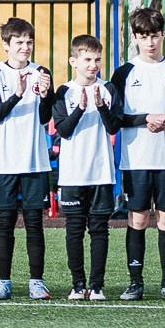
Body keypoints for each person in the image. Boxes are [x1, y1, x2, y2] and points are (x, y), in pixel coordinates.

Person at [112, 6, 165, 301]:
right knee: (137, 220)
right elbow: (116, 118)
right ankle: (135, 283)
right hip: (135, 160)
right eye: (143, 36)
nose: (150, 42)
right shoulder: (124, 73)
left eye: (155, 35)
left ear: (163, 35)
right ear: (135, 37)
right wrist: (145, 118)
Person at [0, 16, 55, 301]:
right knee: (5, 222)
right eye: (19, 42)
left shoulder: (42, 71)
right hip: (5, 161)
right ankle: (4, 282)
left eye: (29, 42)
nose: (25, 47)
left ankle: (36, 281)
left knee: (35, 223)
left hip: (35, 160)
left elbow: (45, 117)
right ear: (6, 45)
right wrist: (17, 94)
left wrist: (47, 95)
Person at [51, 34, 123, 301]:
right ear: (74, 61)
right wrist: (80, 108)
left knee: (99, 230)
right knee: (74, 229)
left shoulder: (108, 90)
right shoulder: (64, 91)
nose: (93, 65)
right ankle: (78, 285)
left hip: (101, 172)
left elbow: (115, 126)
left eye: (97, 60)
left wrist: (102, 107)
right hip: (72, 174)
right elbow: (64, 131)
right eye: (87, 59)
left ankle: (97, 286)